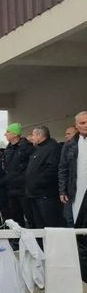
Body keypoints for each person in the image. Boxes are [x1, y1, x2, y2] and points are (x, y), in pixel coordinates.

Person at [59, 111, 87, 280]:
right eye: (82, 123)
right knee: (77, 233)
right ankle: (82, 276)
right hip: (75, 195)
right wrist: (62, 190)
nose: (85, 125)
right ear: (76, 125)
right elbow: (62, 168)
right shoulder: (69, 145)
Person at [25, 126, 64, 228]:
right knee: (40, 225)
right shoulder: (38, 148)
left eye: (33, 135)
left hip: (46, 194)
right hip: (35, 194)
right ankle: (42, 244)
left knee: (50, 224)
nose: (32, 138)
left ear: (39, 135)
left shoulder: (52, 148)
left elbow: (52, 170)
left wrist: (36, 183)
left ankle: (53, 244)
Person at [3, 123, 35, 227]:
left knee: (30, 215)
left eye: (8, 132)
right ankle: (18, 240)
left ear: (15, 134)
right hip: (11, 188)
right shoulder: (8, 149)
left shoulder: (27, 147)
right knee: (15, 216)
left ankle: (35, 239)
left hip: (23, 188)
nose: (5, 134)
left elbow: (32, 166)